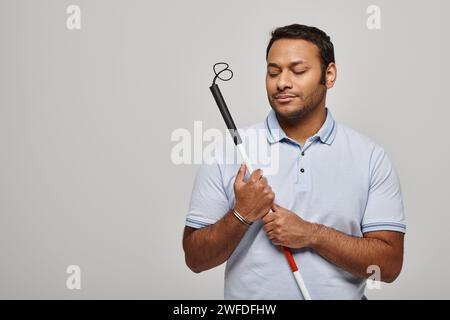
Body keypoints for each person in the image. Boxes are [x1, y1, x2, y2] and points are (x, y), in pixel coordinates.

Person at [182, 24, 406, 299]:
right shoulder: (227, 151)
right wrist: (242, 214)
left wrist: (312, 234)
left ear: (330, 75)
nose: (282, 82)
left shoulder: (370, 157)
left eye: (298, 71)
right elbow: (195, 259)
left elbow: (390, 265)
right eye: (273, 71)